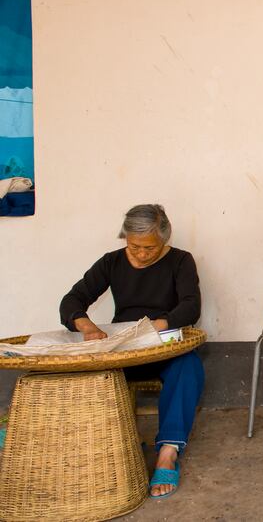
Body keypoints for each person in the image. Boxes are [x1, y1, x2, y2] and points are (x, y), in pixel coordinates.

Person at [59, 204, 203, 498]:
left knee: (189, 367)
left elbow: (191, 306)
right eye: (133, 246)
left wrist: (155, 326)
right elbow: (72, 300)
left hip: (162, 345)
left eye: (148, 248)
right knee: (82, 372)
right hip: (124, 347)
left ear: (163, 239)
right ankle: (109, 439)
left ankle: (167, 452)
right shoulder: (111, 262)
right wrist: (86, 326)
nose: (140, 254)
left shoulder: (180, 261)